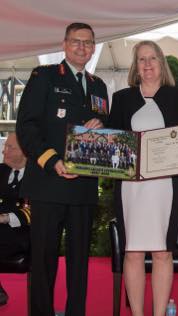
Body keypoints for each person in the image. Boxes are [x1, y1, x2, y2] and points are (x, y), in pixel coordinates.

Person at [16, 22, 108, 316]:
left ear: (94, 48)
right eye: (76, 41)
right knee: (43, 261)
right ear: (65, 44)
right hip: (48, 182)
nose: (82, 47)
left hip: (83, 187)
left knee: (79, 263)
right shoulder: (43, 77)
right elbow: (27, 126)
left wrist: (102, 126)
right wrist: (52, 160)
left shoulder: (98, 85)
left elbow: (105, 134)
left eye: (88, 43)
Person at [108, 40, 178, 316]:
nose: (147, 64)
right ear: (136, 66)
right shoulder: (121, 99)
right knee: (132, 252)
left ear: (161, 63)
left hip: (166, 188)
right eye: (141, 59)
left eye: (152, 58)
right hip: (130, 189)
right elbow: (113, 146)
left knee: (162, 252)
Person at [0, 133, 29, 306]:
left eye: (10, 147)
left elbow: (37, 212)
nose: (4, 151)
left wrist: (5, 218)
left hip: (21, 236)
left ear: (25, 152)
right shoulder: (0, 170)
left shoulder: (37, 178)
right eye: (5, 147)